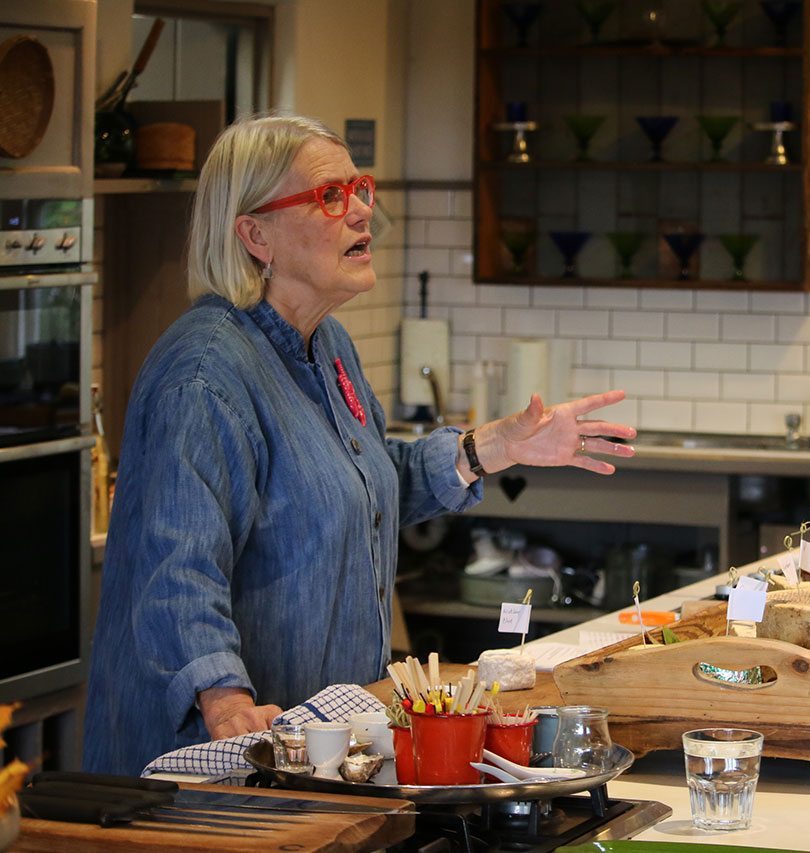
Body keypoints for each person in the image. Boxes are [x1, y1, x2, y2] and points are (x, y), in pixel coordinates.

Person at [83, 114, 636, 775]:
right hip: (214, 769)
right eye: (329, 196)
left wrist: (491, 446)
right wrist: (226, 701)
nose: (362, 213)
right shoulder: (205, 373)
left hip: (315, 756)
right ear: (256, 235)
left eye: (361, 189)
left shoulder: (328, 346)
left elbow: (364, 485)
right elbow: (176, 565)